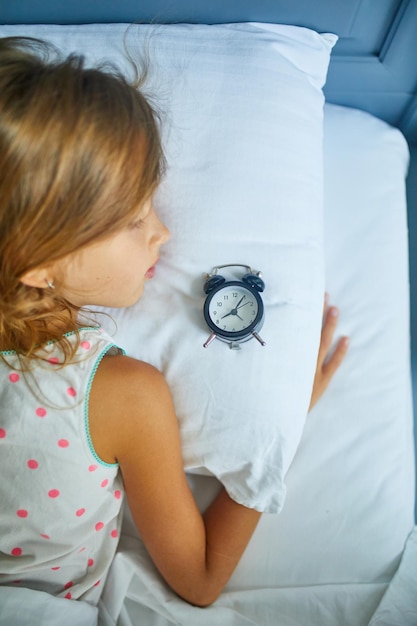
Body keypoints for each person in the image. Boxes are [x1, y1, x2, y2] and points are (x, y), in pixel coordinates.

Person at [0, 36, 349, 609]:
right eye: (134, 220)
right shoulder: (121, 396)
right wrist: (286, 419)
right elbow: (201, 579)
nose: (162, 232)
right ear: (43, 265)